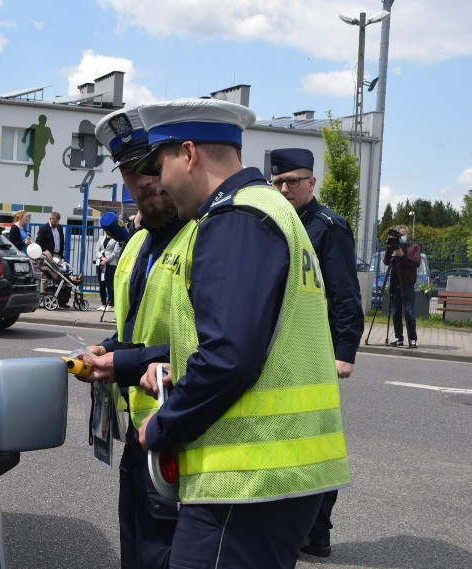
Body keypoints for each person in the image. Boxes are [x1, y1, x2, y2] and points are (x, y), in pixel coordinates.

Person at [131, 98, 351, 569]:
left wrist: (163, 426)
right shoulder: (271, 209)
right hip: (276, 477)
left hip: (246, 481)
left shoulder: (235, 219)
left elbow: (230, 356)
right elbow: (258, 338)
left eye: (160, 165)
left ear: (188, 154)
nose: (159, 184)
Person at [72, 106, 188, 568]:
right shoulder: (140, 242)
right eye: (128, 170)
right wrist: (108, 347)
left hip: (181, 425)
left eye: (149, 167)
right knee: (135, 550)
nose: (142, 181)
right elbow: (138, 326)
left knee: (162, 553)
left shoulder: (204, 237)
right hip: (139, 428)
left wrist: (119, 364)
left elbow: (204, 346)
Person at [271, 148, 364, 558]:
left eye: (293, 181)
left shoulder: (329, 226)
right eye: (278, 182)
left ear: (312, 182)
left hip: (318, 351)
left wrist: (346, 350)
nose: (285, 188)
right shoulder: (276, 222)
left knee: (315, 445)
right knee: (285, 438)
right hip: (284, 349)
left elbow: (346, 293)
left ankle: (317, 532)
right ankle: (291, 524)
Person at [383, 224, 421, 348]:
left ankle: (412, 339)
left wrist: (403, 256)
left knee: (409, 313)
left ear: (407, 235)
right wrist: (389, 249)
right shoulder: (394, 247)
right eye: (400, 234)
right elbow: (386, 262)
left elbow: (416, 263)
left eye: (404, 234)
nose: (402, 237)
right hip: (395, 284)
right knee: (396, 313)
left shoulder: (414, 247)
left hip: (408, 285)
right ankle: (399, 338)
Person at [35, 211, 65, 294]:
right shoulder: (43, 228)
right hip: (47, 255)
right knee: (45, 275)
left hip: (57, 255)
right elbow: (39, 242)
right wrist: (40, 255)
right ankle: (43, 294)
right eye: (54, 221)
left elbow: (61, 241)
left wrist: (61, 254)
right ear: (50, 219)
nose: (55, 223)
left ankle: (58, 295)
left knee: (59, 275)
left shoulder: (60, 228)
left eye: (57, 221)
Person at [94, 228, 122, 311]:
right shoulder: (101, 238)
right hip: (100, 263)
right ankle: (103, 304)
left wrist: (107, 259)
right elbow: (97, 250)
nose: (106, 231)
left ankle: (111, 304)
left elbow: (116, 252)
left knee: (109, 283)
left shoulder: (116, 239)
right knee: (101, 283)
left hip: (111, 264)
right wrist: (101, 257)